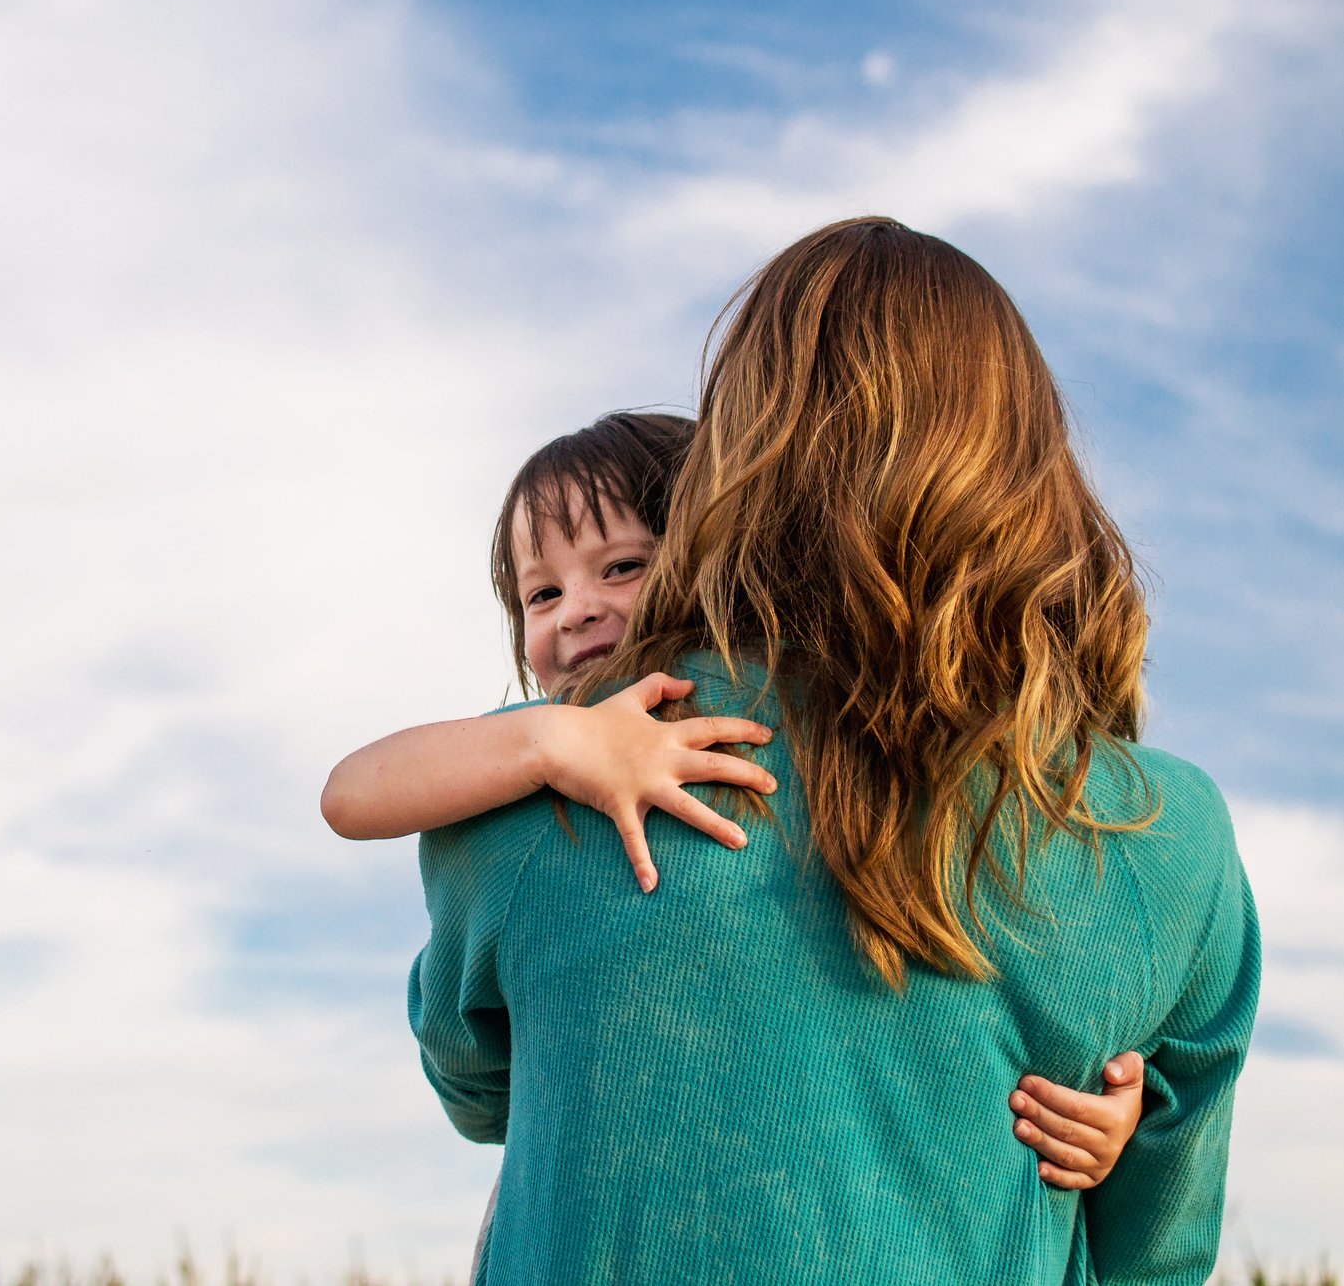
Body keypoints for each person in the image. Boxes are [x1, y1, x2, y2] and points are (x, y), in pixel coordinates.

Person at [406, 220, 1259, 1283]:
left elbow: (479, 1084)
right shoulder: (1166, 835)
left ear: (726, 461)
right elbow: (1154, 1256)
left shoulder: (541, 774)